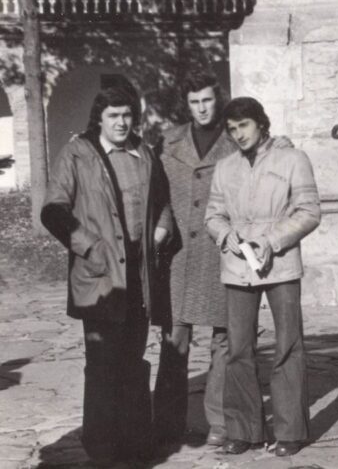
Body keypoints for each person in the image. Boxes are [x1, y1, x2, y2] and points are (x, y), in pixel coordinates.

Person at [40, 86, 172, 465]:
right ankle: (101, 451)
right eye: (113, 115)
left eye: (127, 115)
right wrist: (89, 246)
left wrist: (157, 236)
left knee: (133, 362)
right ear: (99, 118)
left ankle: (135, 445)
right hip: (100, 279)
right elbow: (53, 209)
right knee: (102, 366)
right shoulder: (78, 153)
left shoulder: (144, 155)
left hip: (139, 278)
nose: (121, 122)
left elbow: (162, 203)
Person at [205, 97, 321, 457]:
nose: (239, 134)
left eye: (244, 125)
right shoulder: (224, 167)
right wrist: (227, 236)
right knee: (239, 349)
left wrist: (271, 241)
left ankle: (289, 432)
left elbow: (309, 212)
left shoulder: (292, 159)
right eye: (232, 129)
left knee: (288, 345)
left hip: (281, 264)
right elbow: (213, 214)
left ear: (260, 123)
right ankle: (244, 431)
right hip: (238, 267)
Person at [151, 75, 237, 447]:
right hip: (179, 255)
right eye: (194, 102)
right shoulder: (168, 142)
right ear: (186, 105)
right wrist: (163, 229)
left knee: (224, 340)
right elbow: (158, 195)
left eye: (207, 100)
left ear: (218, 100)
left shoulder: (235, 141)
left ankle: (218, 421)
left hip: (221, 252)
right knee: (174, 340)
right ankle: (167, 423)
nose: (202, 108)